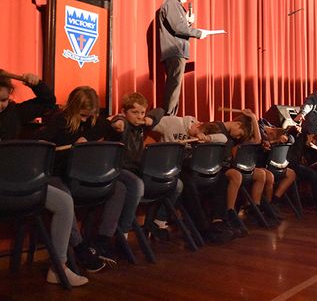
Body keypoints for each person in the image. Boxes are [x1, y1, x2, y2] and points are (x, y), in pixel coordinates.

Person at [0, 72, 87, 286]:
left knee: (64, 202)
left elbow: (48, 101)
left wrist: (36, 83)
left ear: (10, 96)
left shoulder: (15, 112)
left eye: (2, 99)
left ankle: (58, 268)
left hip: (17, 184)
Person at [37, 86, 127, 270]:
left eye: (90, 115)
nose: (86, 119)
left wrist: (118, 126)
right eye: (83, 115)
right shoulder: (59, 122)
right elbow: (41, 146)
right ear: (73, 108)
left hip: (88, 177)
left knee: (120, 189)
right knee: (63, 196)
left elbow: (111, 127)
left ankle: (103, 241)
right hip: (59, 174)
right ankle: (80, 248)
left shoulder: (96, 122)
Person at [107, 92, 182, 240]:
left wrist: (150, 119)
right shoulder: (124, 123)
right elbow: (117, 120)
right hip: (121, 170)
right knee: (137, 185)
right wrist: (119, 121)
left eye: (142, 112)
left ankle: (159, 221)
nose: (139, 116)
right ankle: (124, 232)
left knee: (177, 184)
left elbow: (160, 111)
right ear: (124, 111)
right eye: (134, 112)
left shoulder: (142, 125)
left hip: (139, 171)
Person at [152, 115, 238, 243]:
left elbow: (223, 138)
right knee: (187, 183)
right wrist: (149, 118)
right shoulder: (174, 122)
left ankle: (218, 222)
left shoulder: (204, 133)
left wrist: (207, 138)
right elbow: (152, 122)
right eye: (200, 133)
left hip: (189, 167)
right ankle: (202, 228)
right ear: (198, 125)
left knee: (220, 178)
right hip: (171, 167)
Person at [159, 0, 208, 115]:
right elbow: (178, 28)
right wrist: (199, 33)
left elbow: (179, 27)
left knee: (175, 87)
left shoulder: (173, 4)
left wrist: (188, 22)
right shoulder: (172, 3)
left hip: (175, 51)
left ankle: (170, 117)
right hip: (174, 51)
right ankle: (167, 118)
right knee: (173, 87)